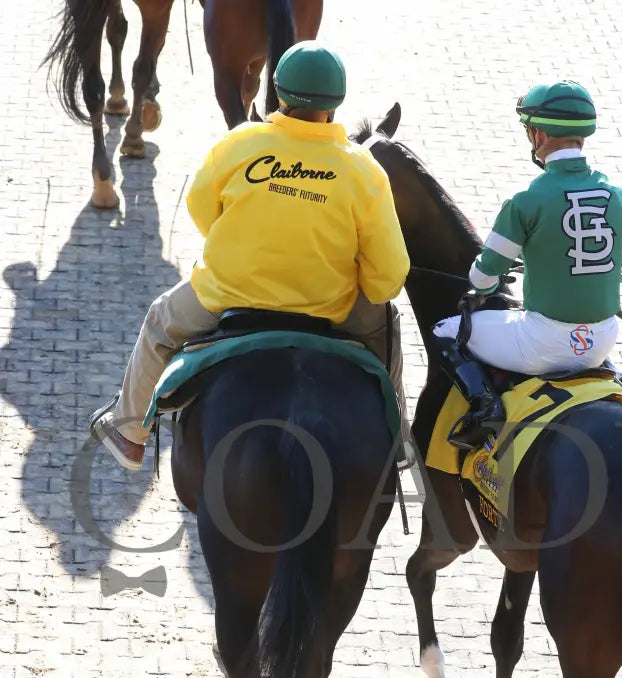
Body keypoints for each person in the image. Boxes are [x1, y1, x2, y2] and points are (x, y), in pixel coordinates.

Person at [91, 41, 411, 470]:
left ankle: (129, 435)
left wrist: (241, 241)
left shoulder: (239, 142)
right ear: (335, 103)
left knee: (159, 323)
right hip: (328, 306)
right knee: (389, 325)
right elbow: (389, 278)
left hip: (226, 296)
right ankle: (397, 442)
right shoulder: (364, 170)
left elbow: (201, 208)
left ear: (279, 92)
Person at [433, 80, 622, 450]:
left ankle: (485, 407)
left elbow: (482, 278)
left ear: (540, 134)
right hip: (602, 341)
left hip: (543, 342)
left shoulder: (525, 200)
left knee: (445, 331)